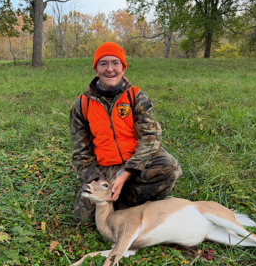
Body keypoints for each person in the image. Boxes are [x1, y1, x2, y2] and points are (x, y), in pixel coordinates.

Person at [70, 41, 182, 222]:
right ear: (96, 70)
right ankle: (114, 198)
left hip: (134, 162)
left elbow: (150, 137)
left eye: (115, 63)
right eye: (103, 63)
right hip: (105, 168)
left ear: (123, 69)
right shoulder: (82, 105)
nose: (110, 69)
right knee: (83, 219)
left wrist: (126, 172)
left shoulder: (136, 97)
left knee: (170, 168)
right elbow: (80, 151)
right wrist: (94, 180)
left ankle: (125, 204)